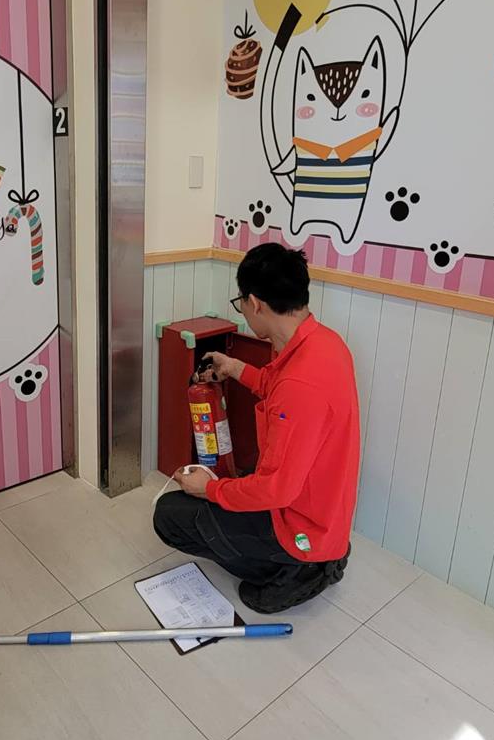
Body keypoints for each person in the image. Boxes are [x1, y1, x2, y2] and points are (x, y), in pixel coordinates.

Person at [153, 242, 360, 613]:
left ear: (255, 303)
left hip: (297, 524)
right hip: (326, 517)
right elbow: (278, 387)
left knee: (169, 516)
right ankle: (321, 556)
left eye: (241, 304)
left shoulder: (300, 384)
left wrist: (210, 489)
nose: (244, 310)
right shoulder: (326, 344)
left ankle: (299, 570)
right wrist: (234, 368)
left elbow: (276, 490)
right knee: (223, 498)